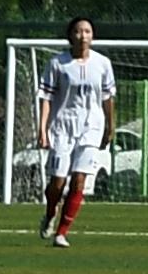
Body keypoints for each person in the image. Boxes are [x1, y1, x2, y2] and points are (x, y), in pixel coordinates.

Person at [37, 17, 118, 246]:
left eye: (87, 31)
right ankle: (51, 212)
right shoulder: (57, 63)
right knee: (58, 183)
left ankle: (62, 232)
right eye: (78, 31)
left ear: (93, 36)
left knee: (79, 180)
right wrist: (43, 129)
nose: (83, 36)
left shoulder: (102, 64)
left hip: (91, 127)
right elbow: (46, 98)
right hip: (62, 126)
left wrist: (110, 127)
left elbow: (108, 98)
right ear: (70, 35)